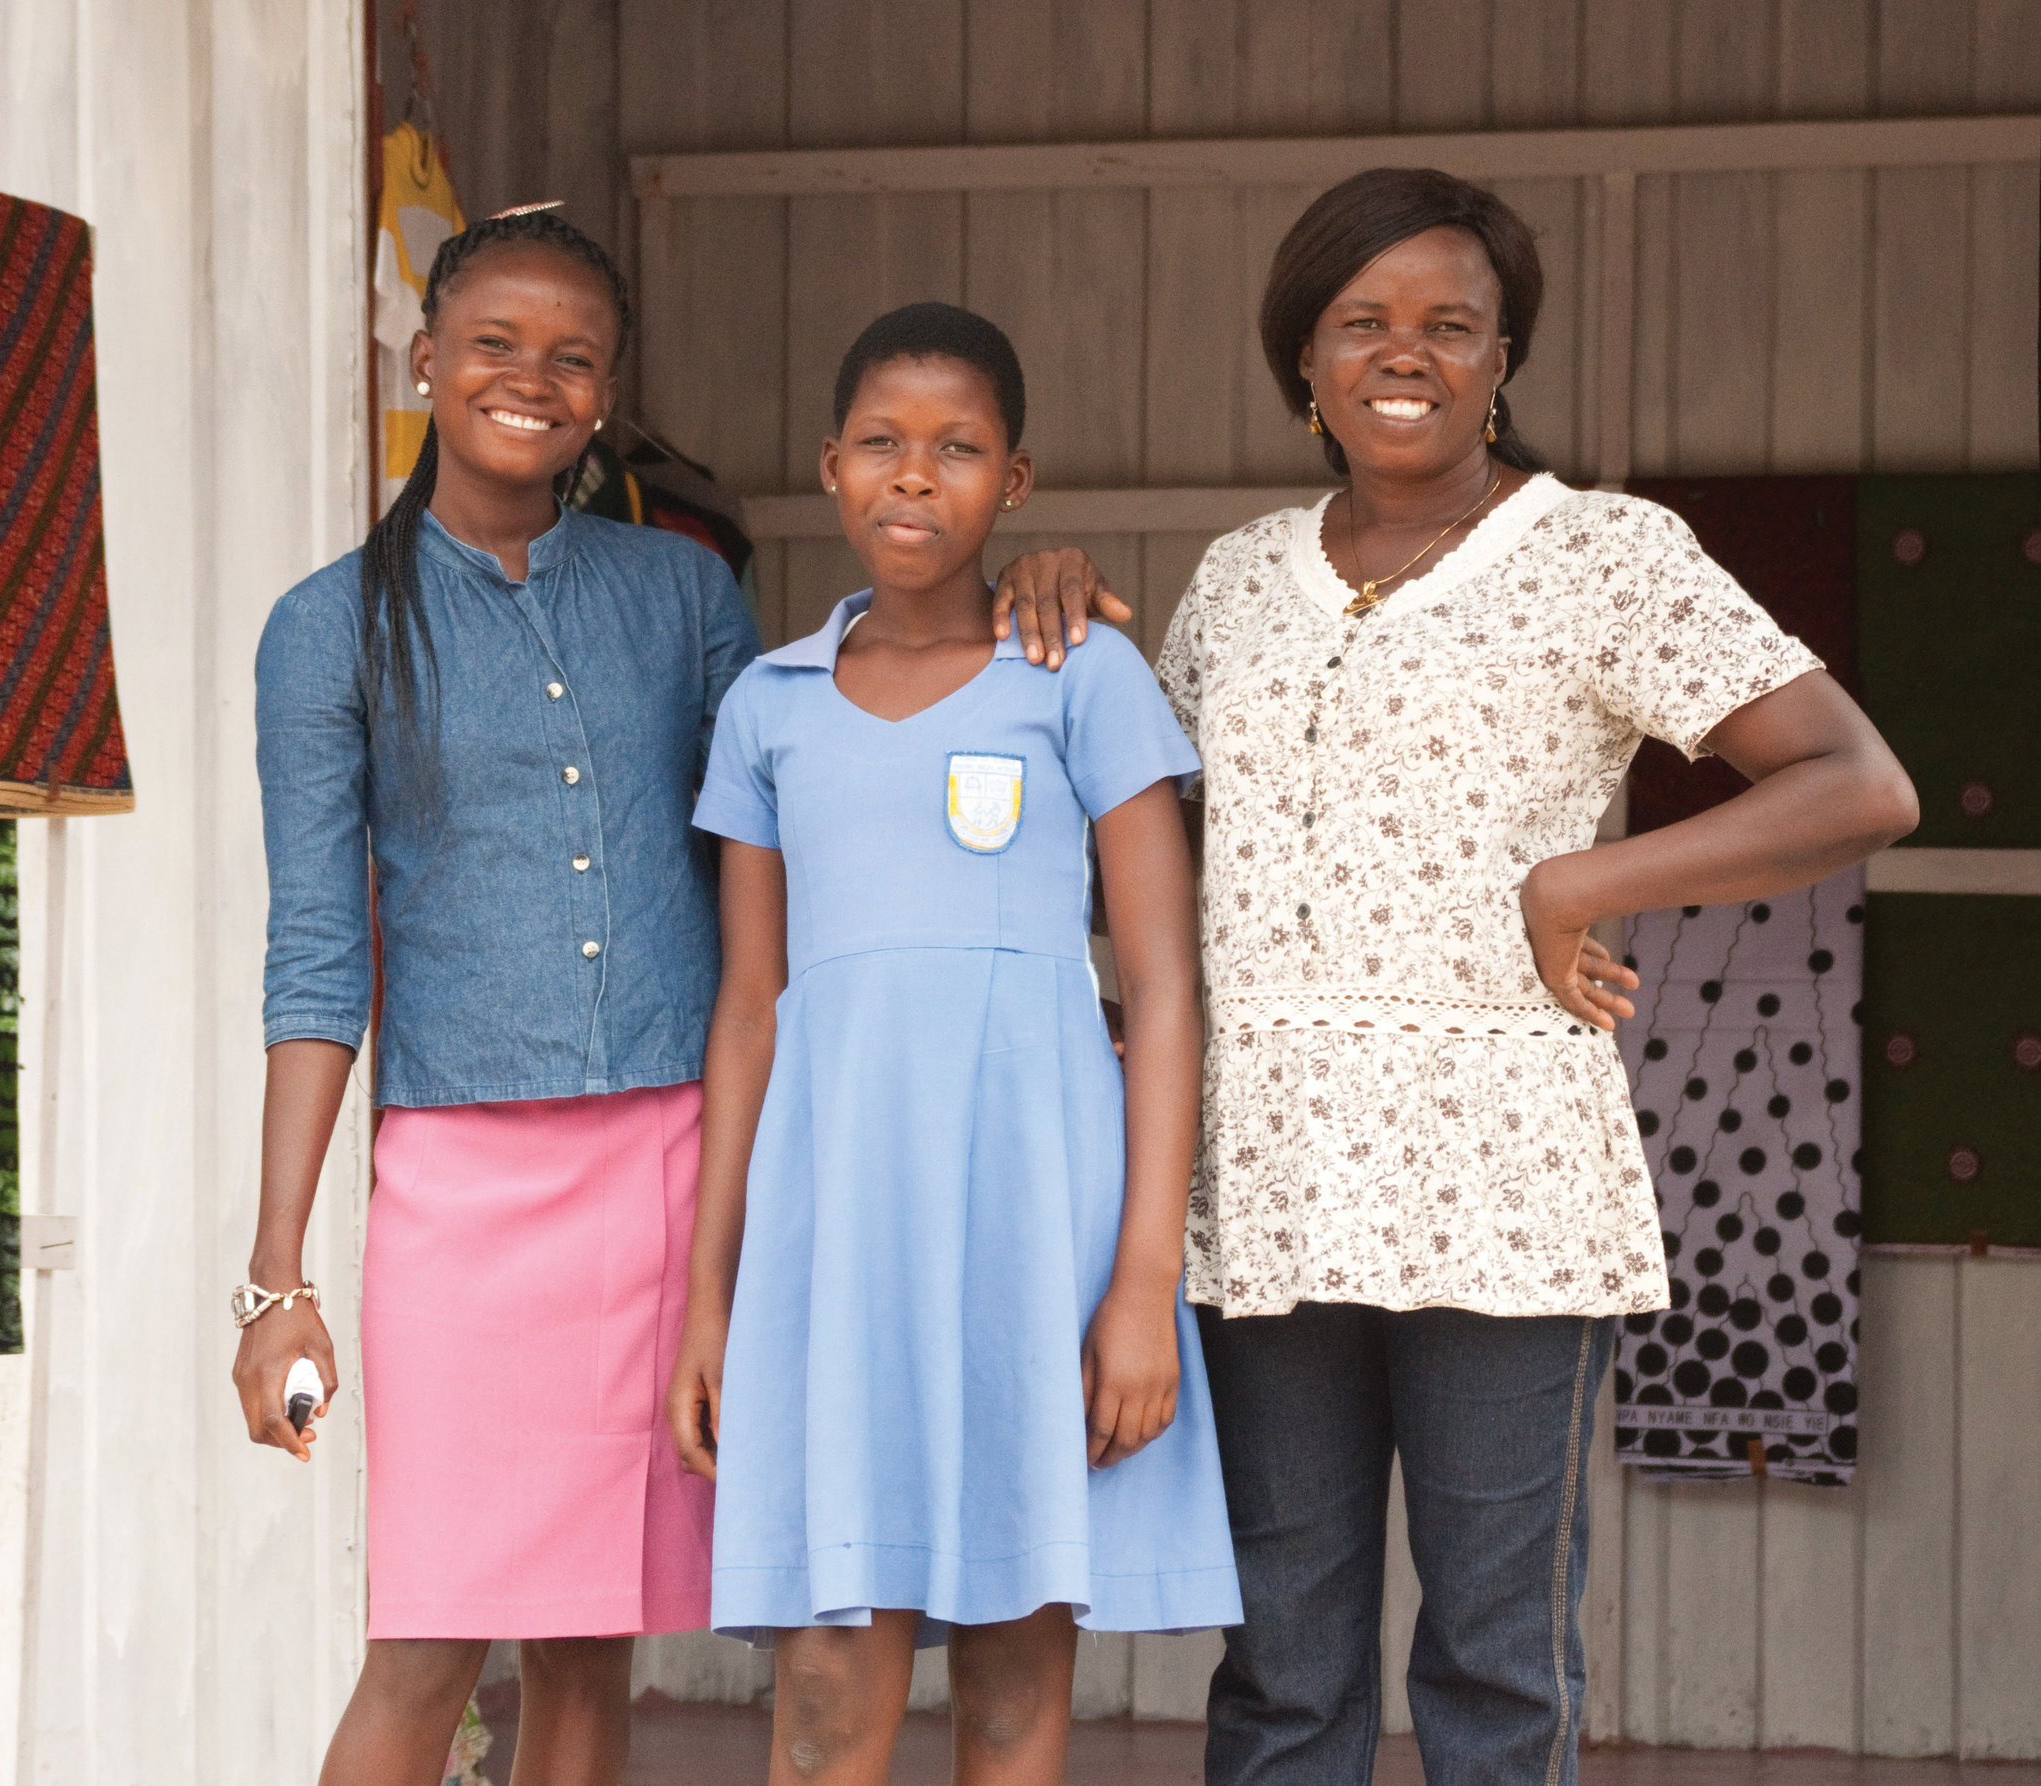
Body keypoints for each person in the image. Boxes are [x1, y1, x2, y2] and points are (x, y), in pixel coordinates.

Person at [238, 217, 1125, 1786]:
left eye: (574, 356)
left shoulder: (687, 595)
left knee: (598, 1643)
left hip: (680, 1165)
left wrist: (1021, 591)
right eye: (495, 344)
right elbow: (316, 953)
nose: (533, 379)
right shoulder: (327, 627)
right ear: (425, 358)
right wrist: (275, 1274)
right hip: (461, 1179)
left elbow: (836, 792)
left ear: (608, 391)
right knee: (429, 1636)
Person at [1132, 168, 1917, 1786]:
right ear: (1306, 361)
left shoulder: (1603, 555)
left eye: (1449, 325)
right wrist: (1037, 620)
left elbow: (1857, 782)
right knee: (1281, 1662)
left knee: (1497, 1661)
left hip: (1503, 1184)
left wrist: (1591, 877)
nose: (1403, 354)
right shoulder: (1232, 583)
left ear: (1504, 359)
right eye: (1363, 323)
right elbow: (1148, 843)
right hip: (1269, 1178)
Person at [668, 302, 1243, 1786]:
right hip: (832, 1245)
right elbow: (749, 1007)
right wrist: (712, 1292)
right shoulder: (768, 704)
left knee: (1010, 1691)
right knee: (823, 1699)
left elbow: (1165, 985)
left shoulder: (1086, 682)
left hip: (1032, 1243)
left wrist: (1141, 1281)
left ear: (1019, 480)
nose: (914, 478)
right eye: (881, 444)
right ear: (829, 466)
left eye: (958, 448)